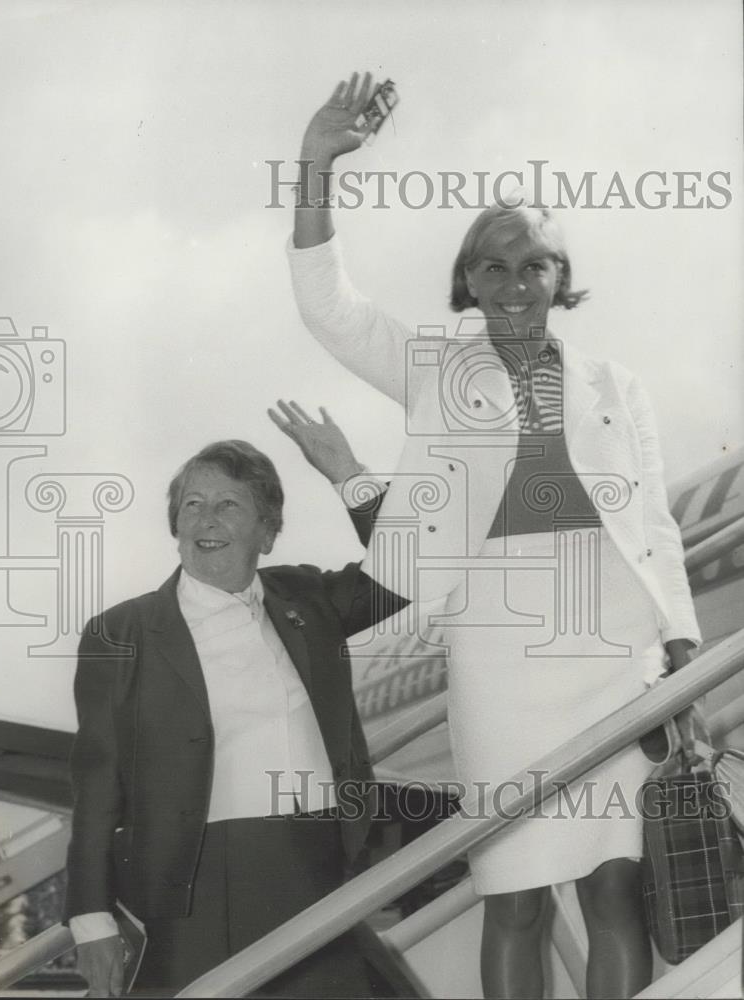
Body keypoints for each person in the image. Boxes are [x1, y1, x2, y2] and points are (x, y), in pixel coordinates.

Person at [286, 73, 705, 999]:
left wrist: (682, 647)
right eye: (496, 266)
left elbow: (653, 524)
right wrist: (317, 162)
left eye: (536, 265)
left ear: (562, 280)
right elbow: (331, 309)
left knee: (616, 893)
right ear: (468, 282)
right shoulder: (434, 367)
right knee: (513, 896)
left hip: (611, 651)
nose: (517, 284)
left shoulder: (614, 385)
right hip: (500, 661)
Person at [64, 403, 406, 999]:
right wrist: (90, 919)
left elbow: (413, 567)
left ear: (267, 530)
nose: (206, 518)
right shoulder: (121, 632)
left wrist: (346, 471)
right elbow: (96, 783)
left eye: (229, 504)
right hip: (198, 882)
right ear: (175, 525)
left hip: (319, 866)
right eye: (192, 504)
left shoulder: (308, 598)